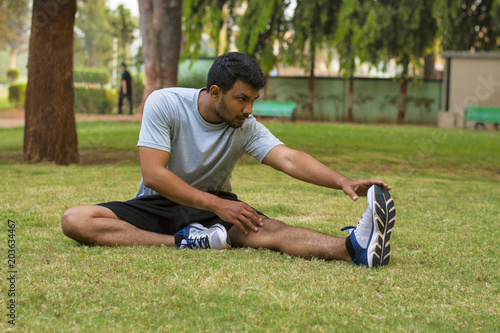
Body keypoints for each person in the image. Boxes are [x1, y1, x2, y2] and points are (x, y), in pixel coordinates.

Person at [62, 52, 396, 268]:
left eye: (253, 100)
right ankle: (188, 242)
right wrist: (218, 207)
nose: (249, 109)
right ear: (215, 92)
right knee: (76, 220)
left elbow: (290, 159)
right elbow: (153, 175)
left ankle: (355, 247)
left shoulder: (245, 126)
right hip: (159, 202)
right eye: (241, 99)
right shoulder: (165, 104)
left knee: (270, 231)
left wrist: (342, 181)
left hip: (214, 205)